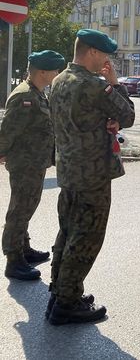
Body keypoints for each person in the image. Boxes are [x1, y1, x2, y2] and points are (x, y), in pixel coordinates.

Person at [48, 29, 135, 325]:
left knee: (68, 231)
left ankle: (60, 289)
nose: (107, 60)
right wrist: (115, 84)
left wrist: (104, 120)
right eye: (105, 54)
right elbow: (129, 116)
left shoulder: (59, 80)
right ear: (93, 53)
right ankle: (66, 303)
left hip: (69, 169)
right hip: (93, 173)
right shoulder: (93, 85)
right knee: (86, 237)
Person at [1, 50, 65, 281]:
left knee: (27, 206)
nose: (57, 73)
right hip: (25, 163)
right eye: (55, 69)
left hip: (34, 161)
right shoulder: (24, 96)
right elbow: (9, 130)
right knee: (19, 210)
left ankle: (23, 249)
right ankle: (13, 260)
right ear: (43, 72)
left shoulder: (37, 93)